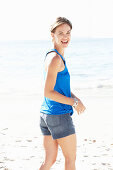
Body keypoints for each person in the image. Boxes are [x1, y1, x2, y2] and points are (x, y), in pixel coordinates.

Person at [39, 17, 86, 170]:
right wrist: (73, 102)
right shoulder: (55, 59)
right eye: (61, 33)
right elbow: (48, 92)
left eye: (68, 32)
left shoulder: (53, 55)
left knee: (49, 161)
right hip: (58, 115)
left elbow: (58, 87)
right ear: (52, 35)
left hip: (46, 114)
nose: (65, 37)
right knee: (70, 159)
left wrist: (75, 97)